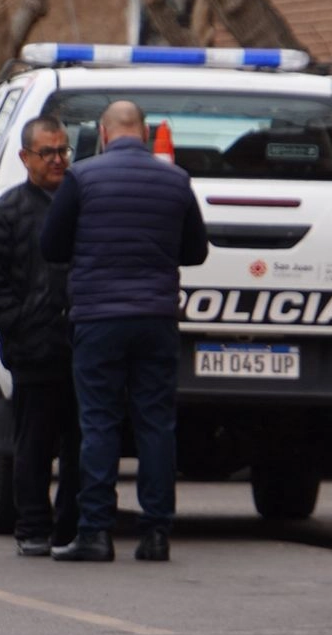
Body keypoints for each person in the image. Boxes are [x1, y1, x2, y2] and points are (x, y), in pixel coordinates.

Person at [41, 100, 208, 563]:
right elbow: (196, 251)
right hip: (156, 318)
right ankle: (156, 534)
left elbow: (52, 245)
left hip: (98, 318)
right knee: (156, 424)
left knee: (99, 422)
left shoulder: (82, 177)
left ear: (104, 132)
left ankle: (95, 532)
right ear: (146, 132)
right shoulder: (176, 181)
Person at [0, 115, 81, 557]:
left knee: (80, 443)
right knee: (33, 442)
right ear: (25, 157)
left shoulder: (82, 203)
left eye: (63, 150)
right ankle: (32, 526)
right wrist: (19, 324)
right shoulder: (5, 212)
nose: (57, 160)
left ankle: (70, 527)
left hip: (81, 345)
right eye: (47, 152)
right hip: (33, 350)